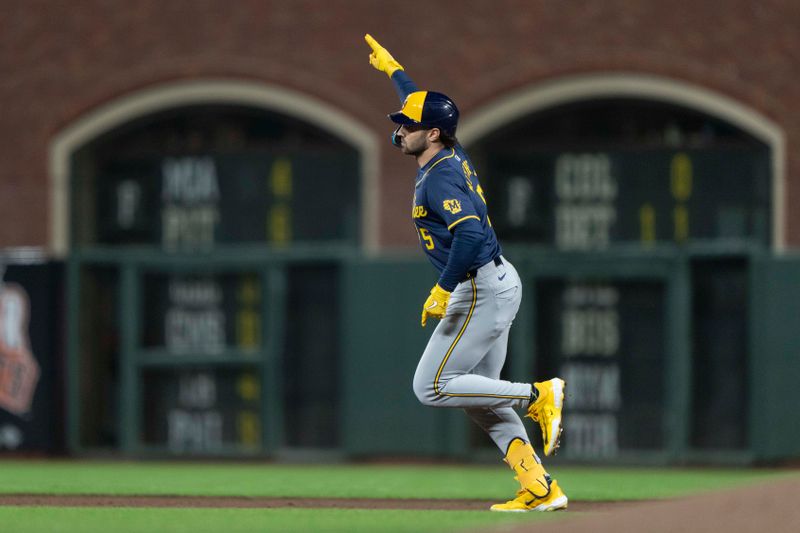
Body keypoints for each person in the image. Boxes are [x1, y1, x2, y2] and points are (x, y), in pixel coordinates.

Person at [364, 34, 568, 512]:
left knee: (431, 385)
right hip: (494, 283)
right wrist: (394, 71)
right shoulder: (446, 150)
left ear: (432, 133)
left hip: (478, 287)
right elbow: (422, 103)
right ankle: (540, 487)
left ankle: (538, 393)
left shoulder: (439, 177)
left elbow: (471, 236)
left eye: (407, 126)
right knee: (480, 398)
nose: (400, 131)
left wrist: (442, 287)